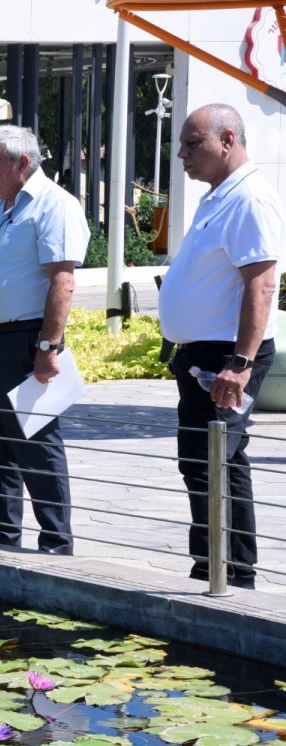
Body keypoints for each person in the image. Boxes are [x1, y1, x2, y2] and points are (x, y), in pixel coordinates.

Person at [159, 103, 282, 590]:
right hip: (204, 357)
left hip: (225, 357)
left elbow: (262, 284)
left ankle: (229, 571)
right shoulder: (218, 196)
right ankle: (218, 565)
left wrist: (241, 362)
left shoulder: (248, 198)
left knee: (213, 460)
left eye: (193, 144)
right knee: (209, 460)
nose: (183, 155)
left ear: (227, 140)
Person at [0, 124, 88, 555]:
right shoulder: (0, 207)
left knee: (36, 441)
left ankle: (56, 539)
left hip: (25, 339)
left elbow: (63, 281)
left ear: (22, 162)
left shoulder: (54, 205)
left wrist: (48, 347)